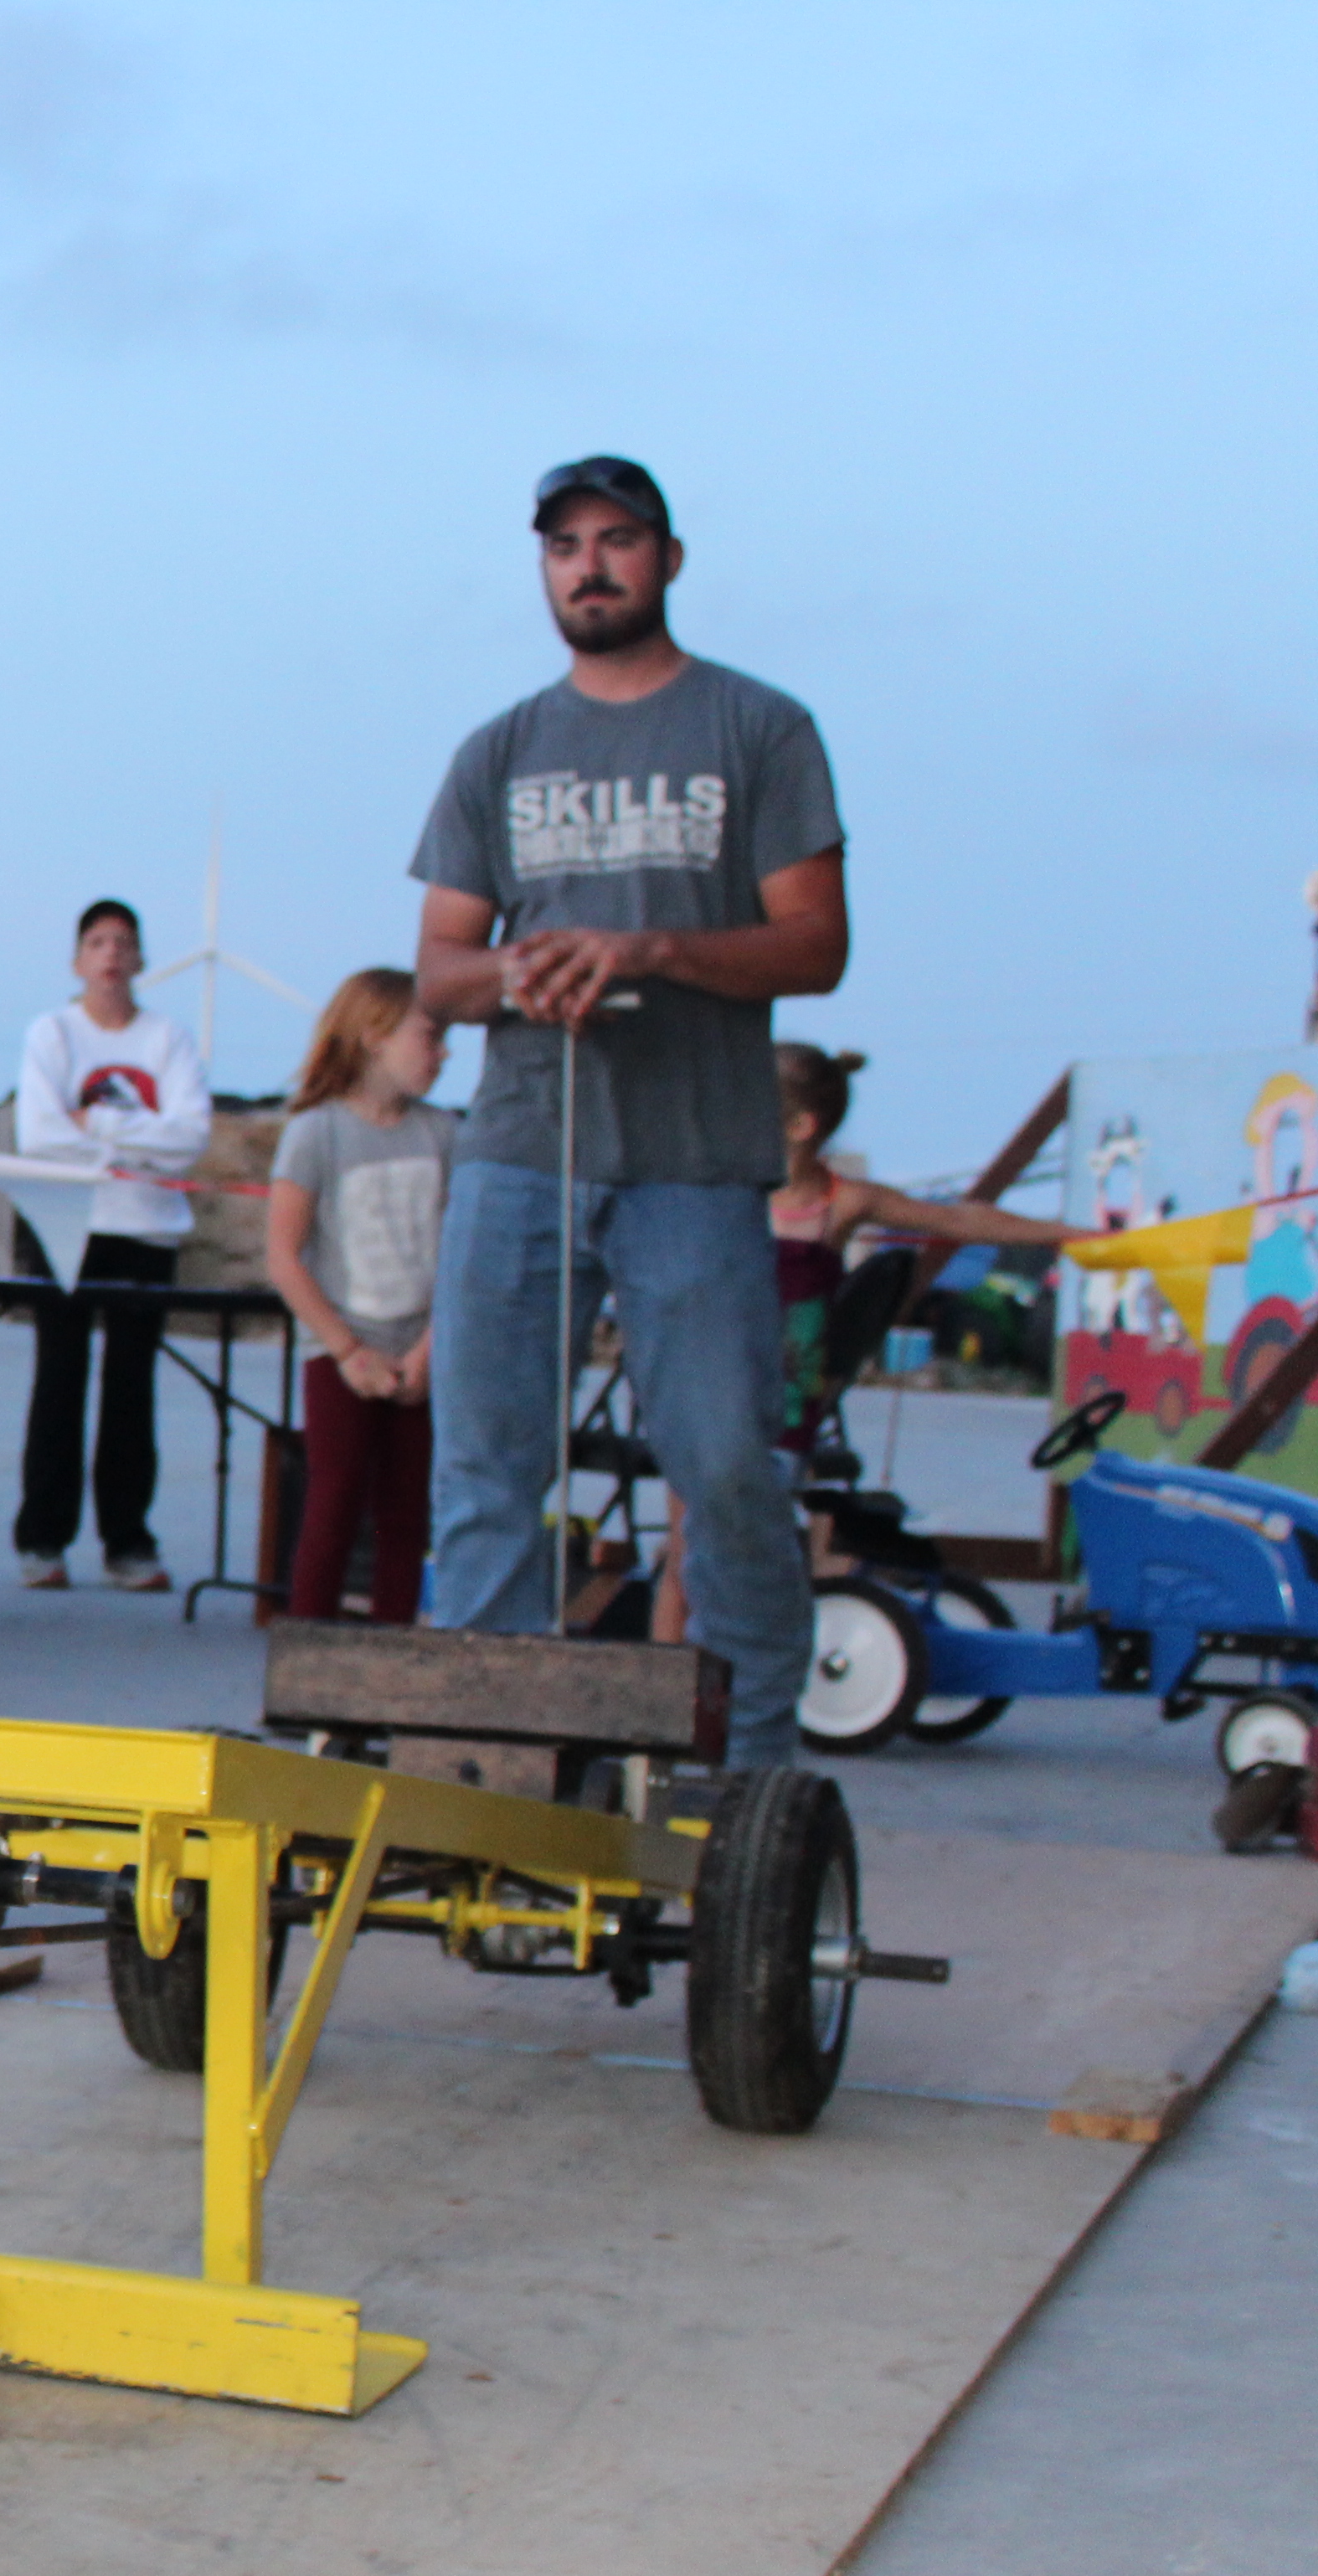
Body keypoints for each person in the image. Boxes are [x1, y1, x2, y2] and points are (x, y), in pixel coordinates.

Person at [409, 456, 849, 1770]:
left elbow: (815, 947)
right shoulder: (498, 750)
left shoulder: (758, 729)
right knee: (486, 1475)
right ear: (543, 568)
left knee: (719, 1474)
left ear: (666, 559)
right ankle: (480, 1779)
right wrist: (520, 973)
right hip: (518, 1154)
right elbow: (438, 969)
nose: (588, 567)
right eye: (564, 547)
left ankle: (754, 1784)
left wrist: (651, 951)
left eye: (615, 542)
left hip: (697, 1166)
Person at [645, 1042, 1085, 1644]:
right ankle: (663, 1714)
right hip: (706, 1398)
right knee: (685, 1557)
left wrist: (1068, 1235)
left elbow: (964, 1221)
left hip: (783, 1412)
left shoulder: (840, 1201)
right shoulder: (725, 1190)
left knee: (750, 1564)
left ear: (800, 1128)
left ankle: (739, 1694)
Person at [10, 899, 209, 1592]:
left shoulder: (169, 1040)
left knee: (133, 1388)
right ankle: (42, 1539)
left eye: (124, 941)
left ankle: (128, 1542)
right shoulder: (53, 1034)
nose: (111, 954)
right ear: (78, 960)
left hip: (147, 1229)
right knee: (58, 1381)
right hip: (66, 1225)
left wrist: (93, 1121)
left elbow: (188, 1140)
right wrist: (134, 1133)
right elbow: (37, 1135)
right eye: (97, 942)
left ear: (142, 958)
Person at [265, 970, 456, 1625]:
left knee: (407, 1517)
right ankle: (305, 1668)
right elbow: (285, 1256)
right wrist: (347, 1351)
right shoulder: (316, 1133)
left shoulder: (444, 1133)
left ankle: (390, 1667)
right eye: (429, 1036)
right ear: (375, 1036)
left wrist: (428, 1351)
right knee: (333, 1505)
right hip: (343, 1352)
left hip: (420, 1356)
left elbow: (459, 1258)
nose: (443, 1053)